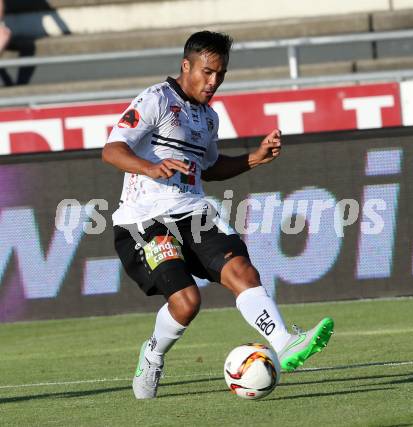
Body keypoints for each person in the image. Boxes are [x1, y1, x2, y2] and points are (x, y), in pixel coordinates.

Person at [102, 31, 334, 399]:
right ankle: (153, 353)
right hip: (143, 220)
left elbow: (208, 168)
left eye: (220, 74)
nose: (214, 82)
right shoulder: (155, 100)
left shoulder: (209, 118)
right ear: (186, 66)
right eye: (207, 72)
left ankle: (286, 342)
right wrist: (151, 168)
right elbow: (112, 150)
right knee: (187, 302)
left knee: (241, 270)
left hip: (193, 212)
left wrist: (254, 158)